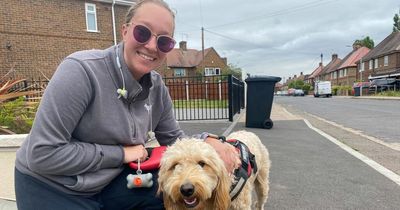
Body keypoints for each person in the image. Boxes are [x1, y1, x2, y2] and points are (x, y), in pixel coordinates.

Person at [14, 0, 240, 209]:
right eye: (142, 32)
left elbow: (173, 139)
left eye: (164, 41)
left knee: (175, 197)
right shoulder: (80, 71)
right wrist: (121, 154)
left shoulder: (157, 86)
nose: (152, 46)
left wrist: (208, 140)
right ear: (124, 31)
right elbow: (42, 154)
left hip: (106, 181)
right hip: (52, 186)